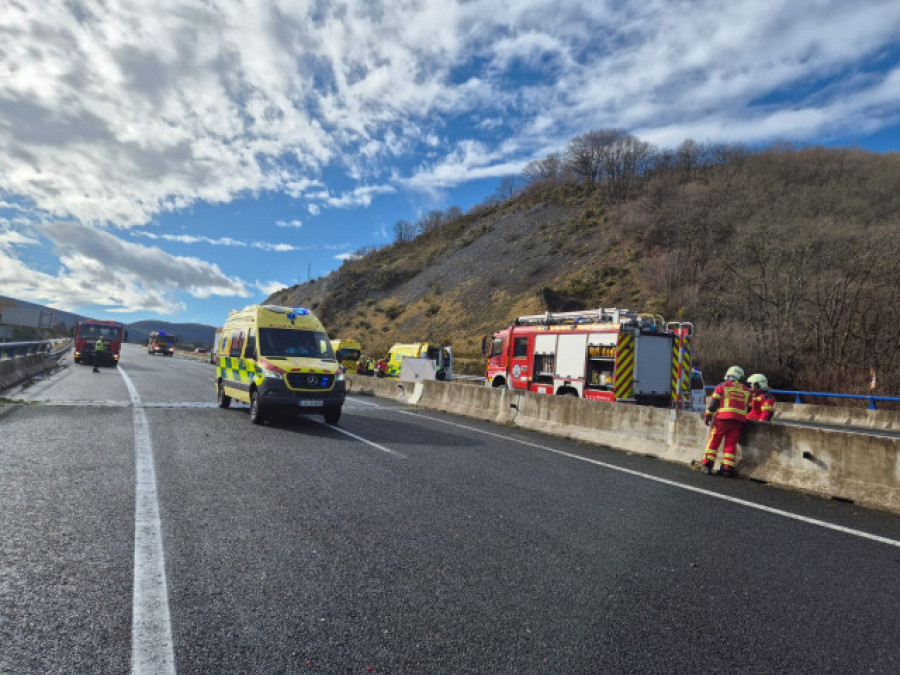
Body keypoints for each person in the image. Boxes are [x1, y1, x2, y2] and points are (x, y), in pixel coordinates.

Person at [701, 365, 751, 477]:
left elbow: (713, 403)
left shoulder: (722, 386)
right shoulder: (746, 390)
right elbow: (750, 408)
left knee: (714, 441)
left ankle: (707, 465)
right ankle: (727, 469)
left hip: (722, 420)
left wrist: (708, 416)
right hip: (738, 422)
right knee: (730, 444)